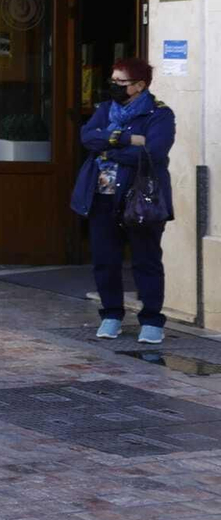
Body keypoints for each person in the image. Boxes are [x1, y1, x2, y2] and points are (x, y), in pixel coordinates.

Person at [71, 57, 175, 344]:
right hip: (102, 197)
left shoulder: (159, 114)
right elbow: (88, 137)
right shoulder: (105, 110)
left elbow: (153, 153)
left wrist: (110, 149)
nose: (114, 86)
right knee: (105, 260)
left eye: (121, 82)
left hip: (141, 199)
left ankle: (152, 321)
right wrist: (127, 139)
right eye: (113, 80)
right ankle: (111, 316)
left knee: (146, 260)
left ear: (140, 85)